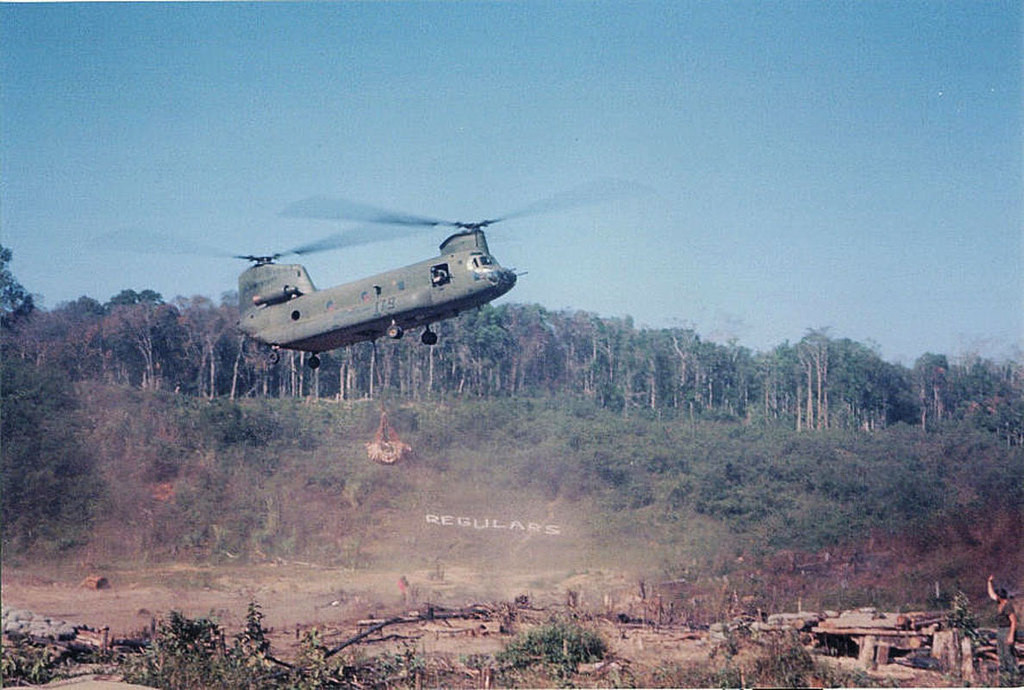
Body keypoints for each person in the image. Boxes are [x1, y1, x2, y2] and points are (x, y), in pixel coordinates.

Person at [988, 574, 1018, 673]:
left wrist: (1011, 636)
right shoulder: (999, 603)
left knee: (1008, 653)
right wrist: (989, 582)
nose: (995, 596)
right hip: (1000, 630)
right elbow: (991, 594)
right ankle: (1004, 672)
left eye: (997, 595)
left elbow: (1013, 621)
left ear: (1000, 596)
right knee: (1001, 652)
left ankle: (1012, 673)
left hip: (1007, 629)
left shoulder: (1007, 606)